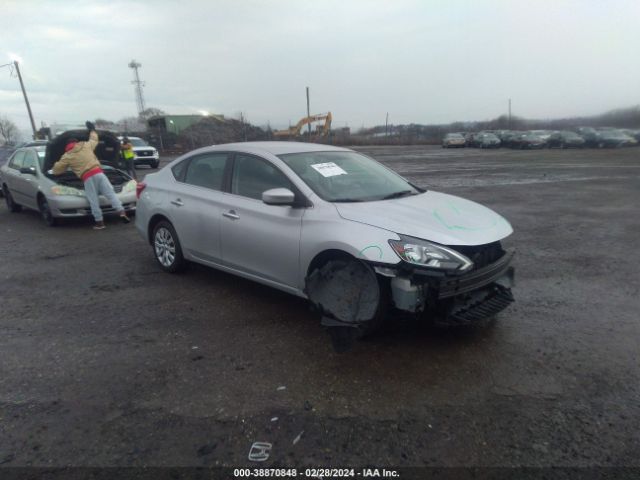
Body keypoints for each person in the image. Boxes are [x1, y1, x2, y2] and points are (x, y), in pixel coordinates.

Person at [51, 121, 130, 230]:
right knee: (111, 194)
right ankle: (121, 212)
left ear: (67, 146)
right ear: (76, 142)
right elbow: (94, 139)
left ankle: (100, 222)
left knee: (93, 200)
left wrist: (55, 163)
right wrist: (92, 130)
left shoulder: (67, 155)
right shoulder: (86, 145)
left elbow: (56, 171)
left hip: (87, 177)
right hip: (99, 173)